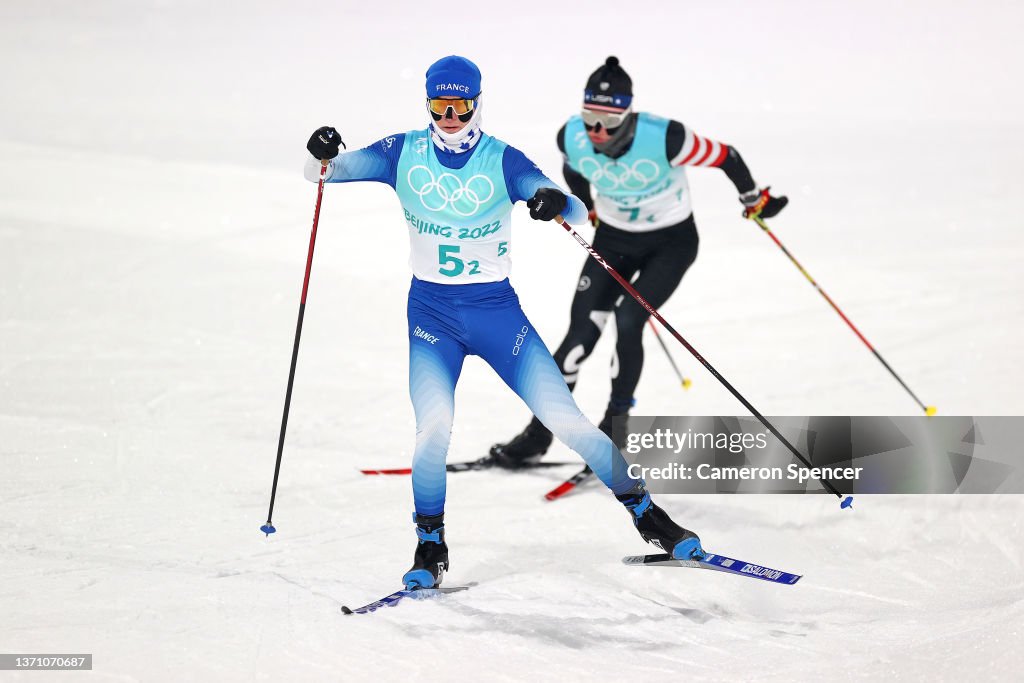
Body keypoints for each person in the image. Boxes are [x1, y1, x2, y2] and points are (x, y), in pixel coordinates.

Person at [303, 56, 704, 590]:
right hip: (431, 316)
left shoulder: (500, 158)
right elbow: (325, 174)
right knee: (433, 431)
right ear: (428, 104)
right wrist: (320, 154)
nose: (450, 116)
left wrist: (549, 198)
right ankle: (429, 544)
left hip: (496, 314)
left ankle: (649, 517)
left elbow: (578, 211)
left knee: (570, 422)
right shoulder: (403, 152)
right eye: (440, 106)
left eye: (460, 106)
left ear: (476, 104)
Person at [488, 56, 787, 470]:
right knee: (579, 335)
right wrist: (583, 205)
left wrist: (753, 199)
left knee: (629, 320)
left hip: (671, 243)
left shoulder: (666, 137)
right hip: (613, 240)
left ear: (628, 117)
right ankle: (539, 433)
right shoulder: (571, 136)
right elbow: (573, 169)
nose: (597, 131)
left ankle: (614, 431)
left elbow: (726, 156)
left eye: (608, 122)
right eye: (590, 117)